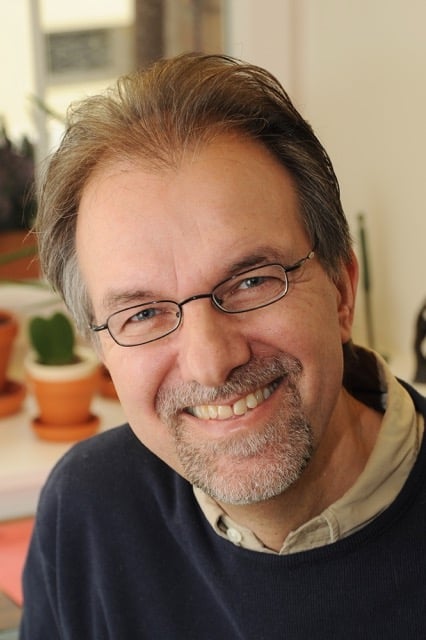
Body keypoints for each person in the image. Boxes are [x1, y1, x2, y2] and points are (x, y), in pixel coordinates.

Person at [20, 53, 426, 639]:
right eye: (143, 313)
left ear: (341, 291)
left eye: (251, 282)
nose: (211, 364)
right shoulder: (88, 511)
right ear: (104, 350)